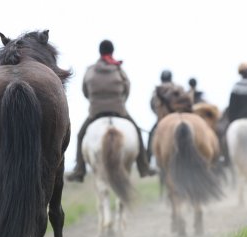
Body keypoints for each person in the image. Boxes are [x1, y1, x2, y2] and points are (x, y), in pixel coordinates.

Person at [66, 40, 156, 182]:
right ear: (112, 51)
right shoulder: (119, 69)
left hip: (95, 112)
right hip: (119, 109)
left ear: (100, 52)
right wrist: (121, 101)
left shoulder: (90, 70)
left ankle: (79, 170)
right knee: (137, 132)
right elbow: (127, 88)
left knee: (80, 135)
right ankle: (144, 167)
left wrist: (94, 101)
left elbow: (84, 91)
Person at [147, 69, 192, 159]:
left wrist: (159, 114)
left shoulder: (157, 91)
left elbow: (152, 105)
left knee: (151, 137)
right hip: (180, 117)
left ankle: (147, 160)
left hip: (162, 119)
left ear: (161, 78)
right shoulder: (179, 88)